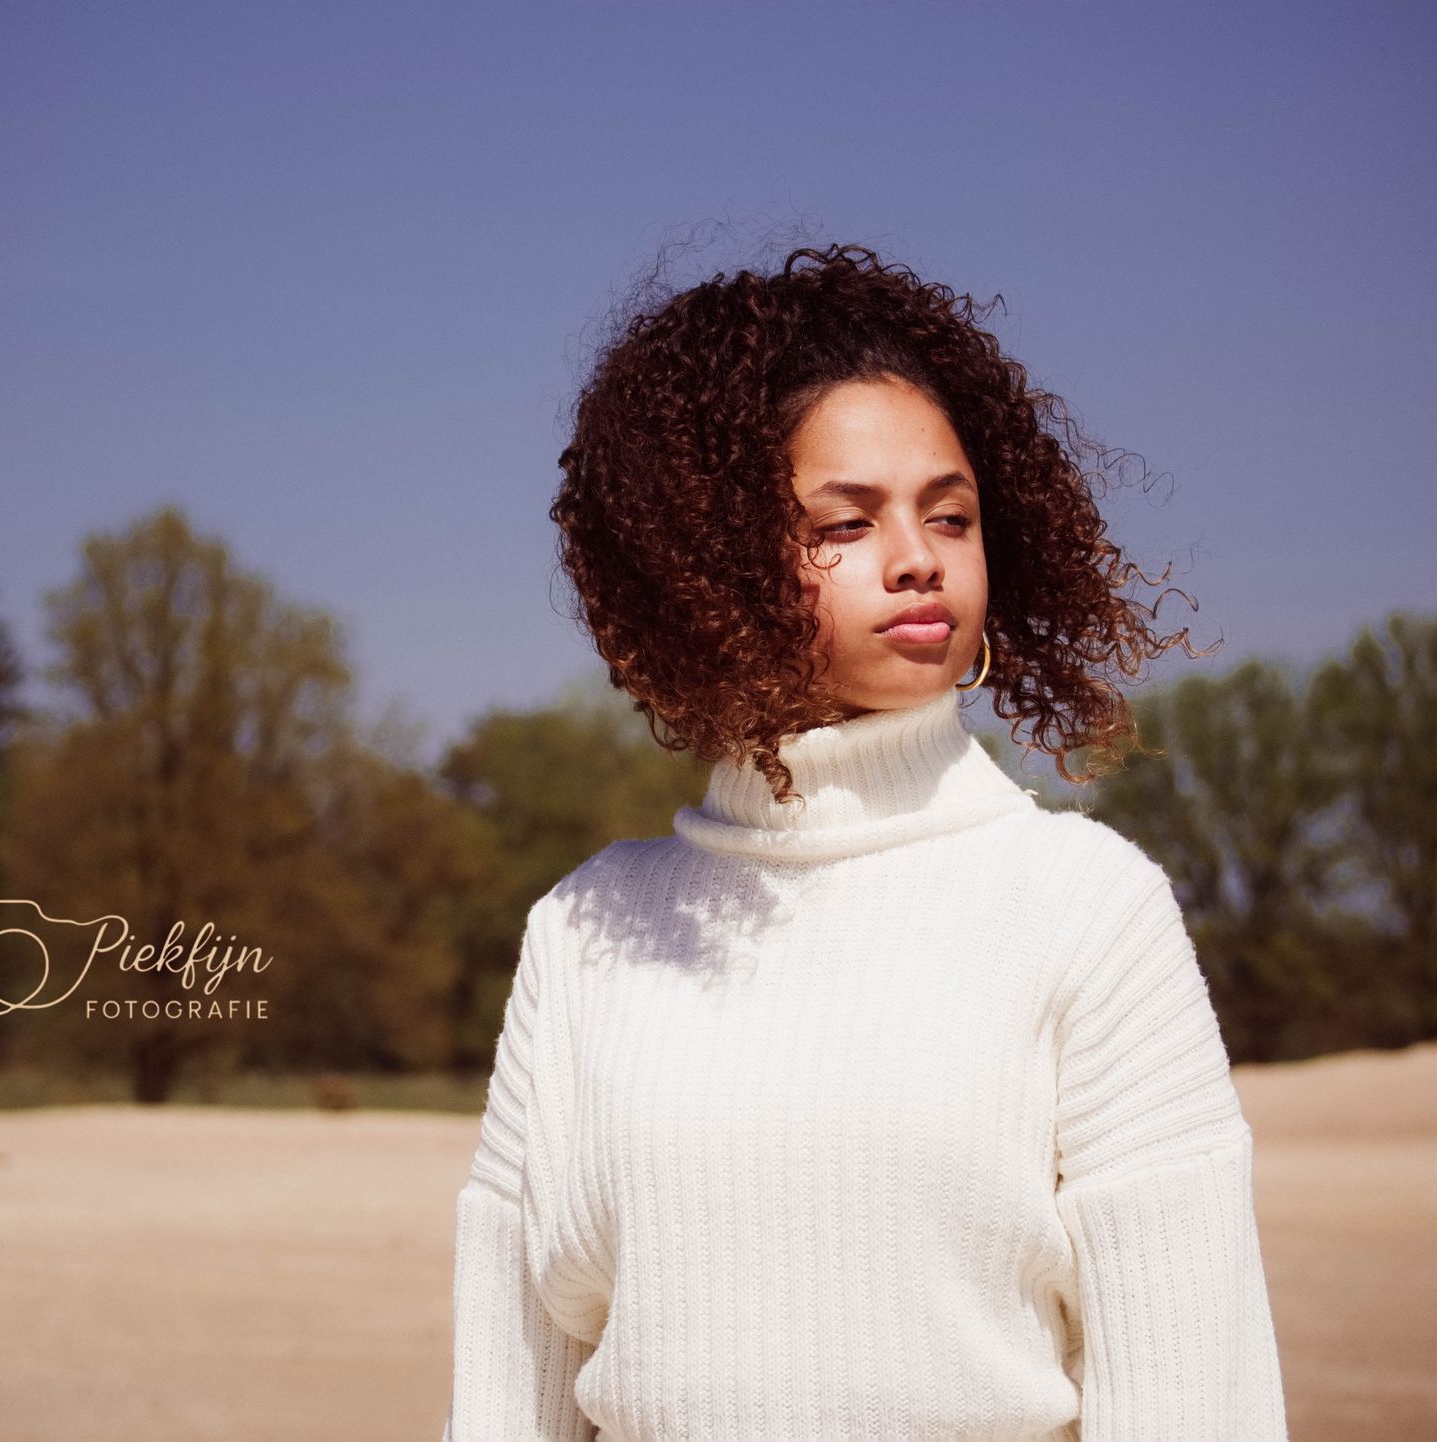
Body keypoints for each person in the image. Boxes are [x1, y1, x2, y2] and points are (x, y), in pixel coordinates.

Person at [441, 243, 1289, 1440]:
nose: (918, 556)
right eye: (845, 522)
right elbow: (505, 1400)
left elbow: (1195, 1399)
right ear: (708, 568)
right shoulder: (585, 932)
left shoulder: (1087, 905)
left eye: (951, 513)